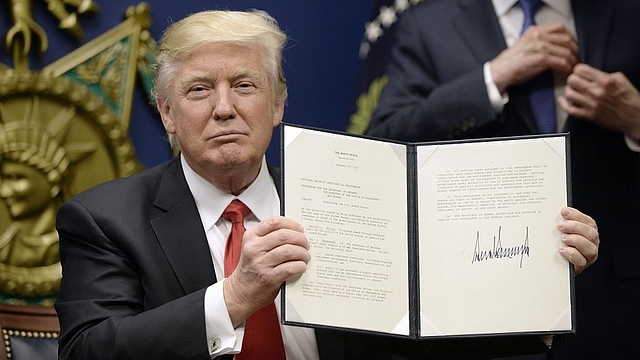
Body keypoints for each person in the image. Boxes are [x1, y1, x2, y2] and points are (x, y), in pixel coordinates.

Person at [54, 7, 600, 360]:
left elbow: (431, 338)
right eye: (200, 90)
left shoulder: (354, 194)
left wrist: (537, 278)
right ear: (167, 113)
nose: (224, 108)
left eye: (245, 85)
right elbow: (88, 352)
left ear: (278, 105)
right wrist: (234, 297)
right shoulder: (104, 219)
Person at [365, 0, 640, 359]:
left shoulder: (629, 13)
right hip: (482, 307)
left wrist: (636, 118)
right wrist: (491, 78)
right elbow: (386, 146)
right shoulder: (429, 23)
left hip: (614, 301)